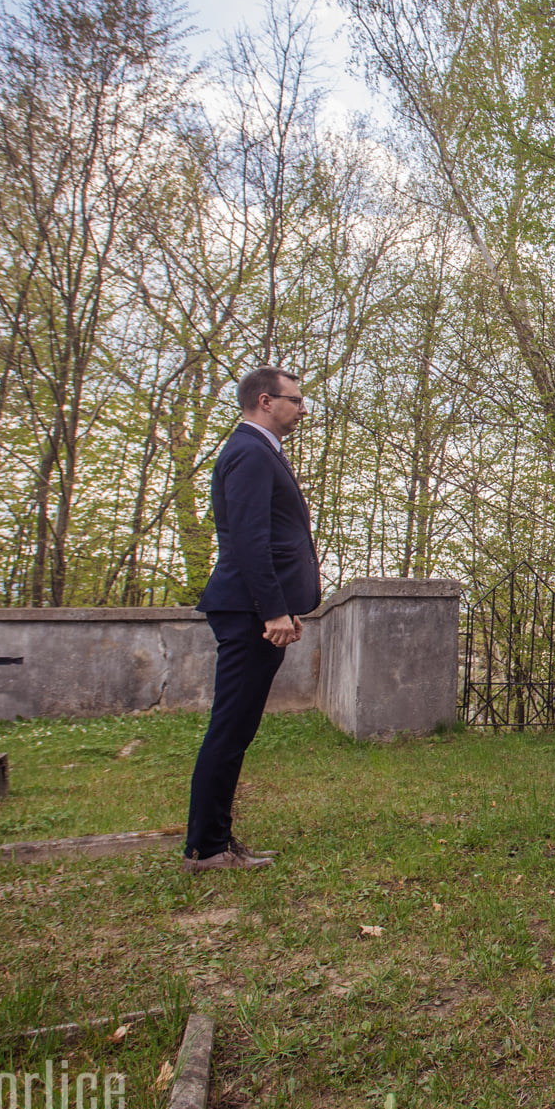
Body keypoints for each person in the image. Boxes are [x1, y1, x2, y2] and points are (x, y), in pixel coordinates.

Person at [182, 367, 320, 872]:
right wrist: (274, 610)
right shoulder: (249, 451)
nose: (303, 409)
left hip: (253, 609)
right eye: (296, 400)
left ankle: (213, 841)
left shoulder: (258, 451)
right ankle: (207, 849)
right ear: (266, 400)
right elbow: (248, 540)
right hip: (247, 610)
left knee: (236, 729)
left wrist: (283, 606)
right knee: (230, 728)